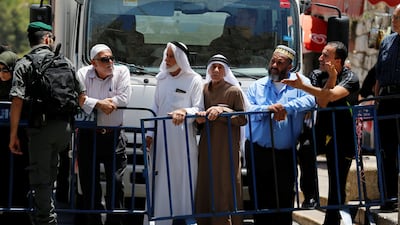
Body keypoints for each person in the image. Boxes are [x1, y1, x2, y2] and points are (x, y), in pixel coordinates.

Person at [8, 21, 85, 225]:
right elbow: (82, 94)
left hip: (41, 129)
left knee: (40, 177)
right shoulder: (66, 62)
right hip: (65, 128)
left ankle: (46, 220)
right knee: (50, 174)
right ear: (48, 39)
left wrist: (13, 134)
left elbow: (17, 100)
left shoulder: (24, 64)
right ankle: (44, 212)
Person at [282, 41, 360, 225]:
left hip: (343, 134)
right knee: (306, 149)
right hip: (322, 129)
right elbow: (322, 102)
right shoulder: (317, 74)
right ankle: (310, 195)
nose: (320, 58)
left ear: (338, 61)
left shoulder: (351, 78)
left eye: (325, 55)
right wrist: (329, 78)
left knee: (337, 183)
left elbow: (329, 97)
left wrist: (302, 86)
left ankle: (331, 222)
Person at [245, 45, 315, 225]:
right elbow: (247, 108)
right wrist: (268, 109)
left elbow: (311, 98)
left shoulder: (300, 82)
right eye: (273, 61)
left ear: (289, 66)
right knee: (259, 197)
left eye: (280, 62)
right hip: (258, 151)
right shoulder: (257, 86)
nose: (274, 65)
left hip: (285, 153)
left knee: (284, 198)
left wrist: (287, 108)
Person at [144, 41, 204, 225]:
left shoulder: (194, 80)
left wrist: (185, 112)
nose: (167, 59)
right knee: (160, 178)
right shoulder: (162, 78)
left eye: (171, 56)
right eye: (166, 55)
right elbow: (155, 105)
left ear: (180, 58)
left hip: (182, 141)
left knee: (183, 179)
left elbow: (198, 107)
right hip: (161, 139)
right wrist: (149, 134)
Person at [75, 43, 131, 225]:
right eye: (104, 59)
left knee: (116, 183)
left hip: (114, 136)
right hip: (88, 136)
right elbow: (78, 99)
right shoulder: (83, 74)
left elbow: (124, 99)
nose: (110, 62)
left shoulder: (122, 72)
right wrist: (101, 104)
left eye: (111, 58)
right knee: (90, 185)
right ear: (94, 63)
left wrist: (91, 103)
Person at [195, 54, 247, 225]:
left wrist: (222, 111)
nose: (216, 71)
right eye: (213, 67)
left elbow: (242, 119)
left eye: (220, 67)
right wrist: (201, 118)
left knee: (225, 184)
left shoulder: (234, 90)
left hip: (226, 147)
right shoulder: (203, 90)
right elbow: (198, 114)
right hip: (207, 145)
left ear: (226, 71)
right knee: (206, 182)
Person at [374, 3, 400, 212]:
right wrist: (376, 99)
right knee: (386, 152)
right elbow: (378, 74)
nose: (393, 20)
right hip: (387, 99)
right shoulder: (388, 41)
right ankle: (389, 197)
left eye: (397, 17)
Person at [0, 50, 31, 224]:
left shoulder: (20, 85)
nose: (2, 75)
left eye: (5, 70)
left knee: (18, 176)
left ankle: (18, 210)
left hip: (17, 140)